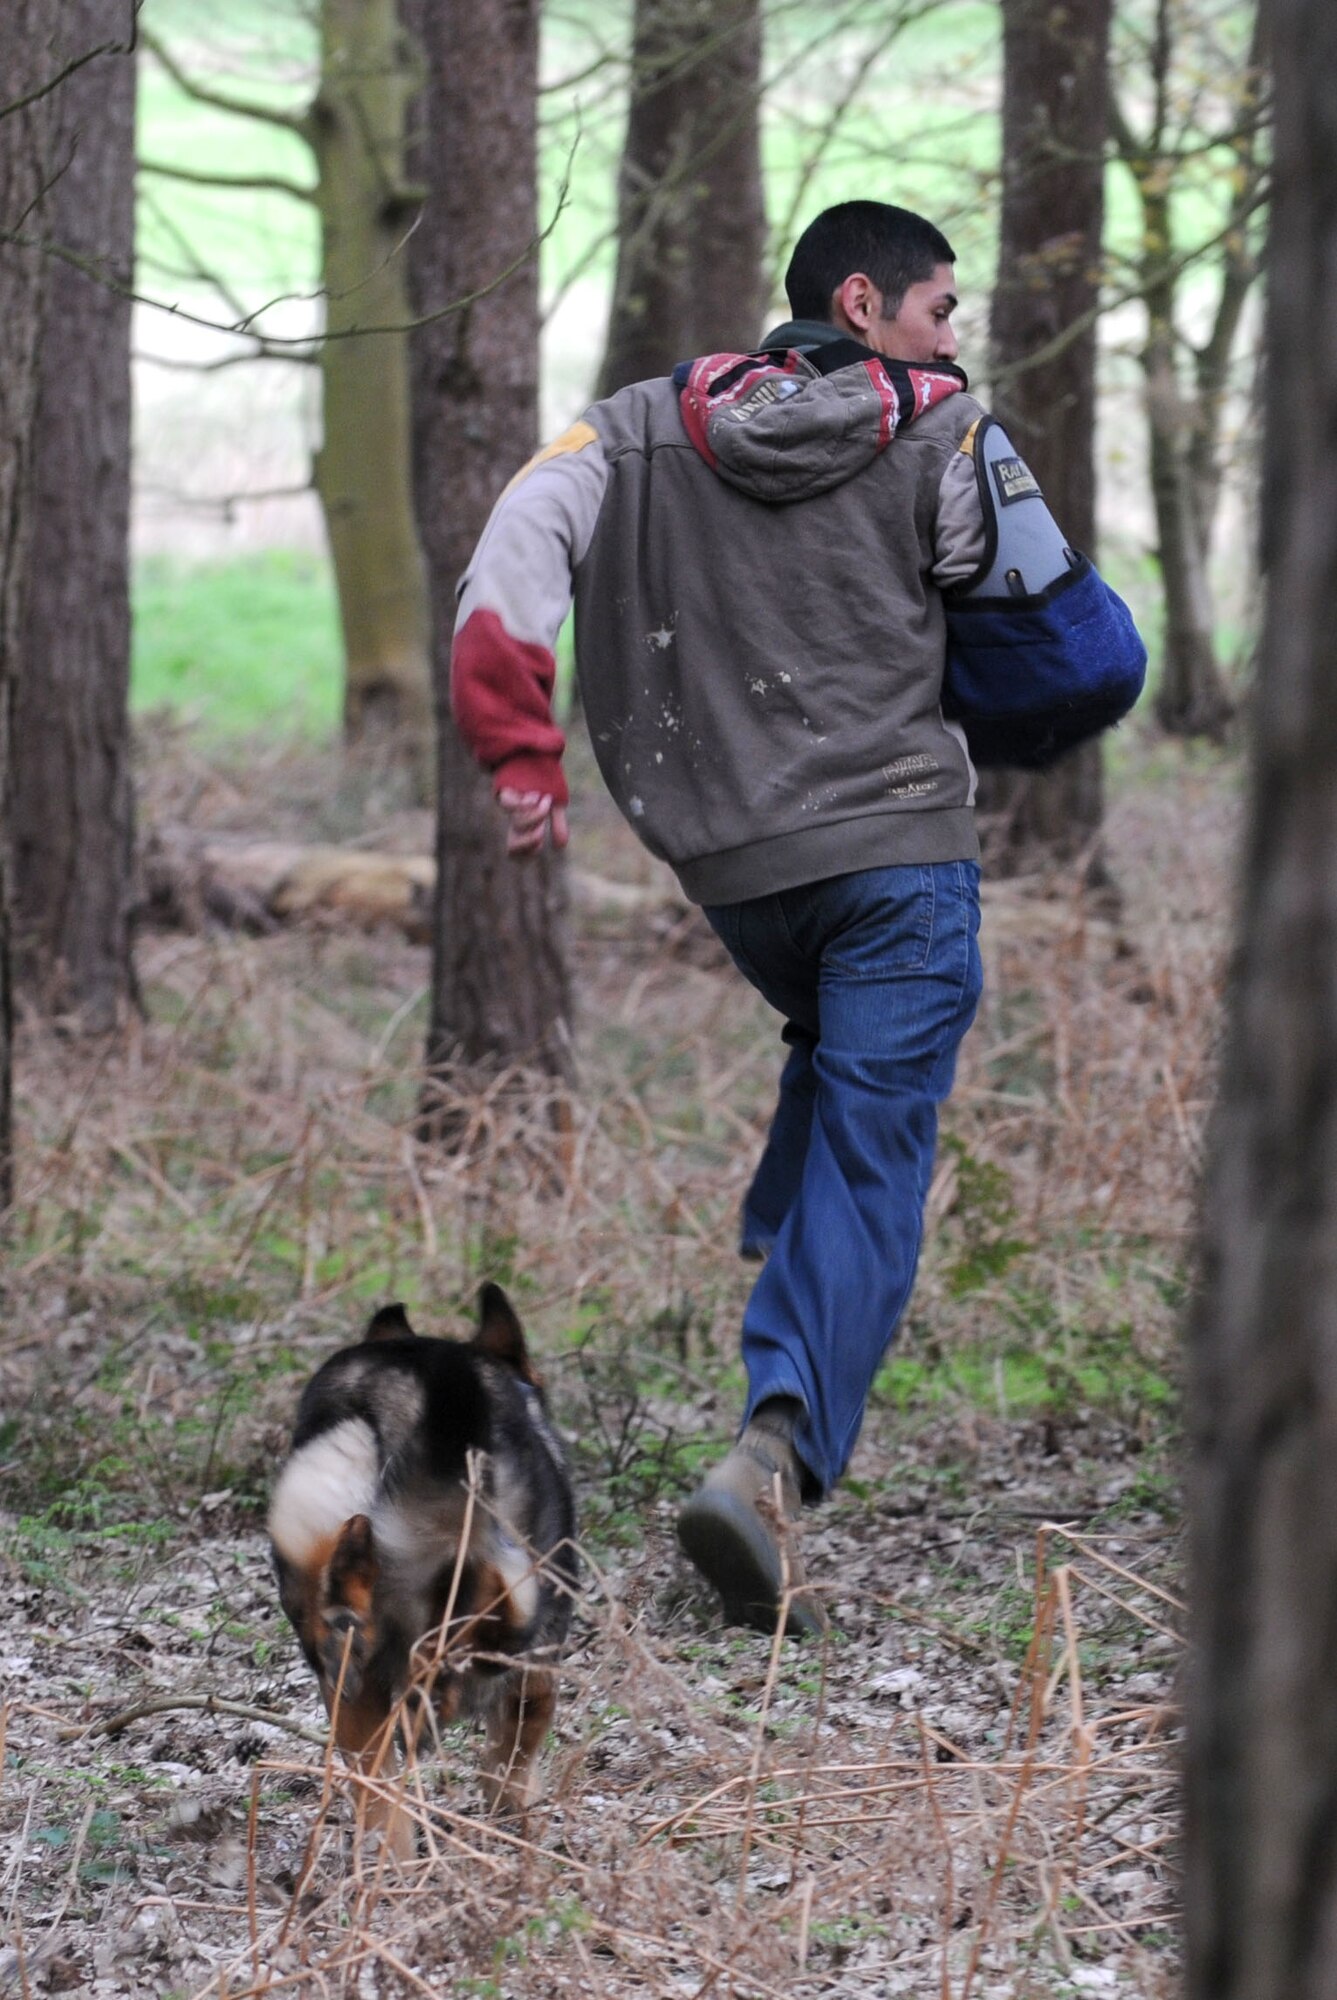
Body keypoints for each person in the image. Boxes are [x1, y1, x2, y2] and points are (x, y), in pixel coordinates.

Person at [449, 200, 1142, 1637]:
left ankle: (779, 1229)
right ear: (861, 304)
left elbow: (508, 564)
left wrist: (520, 757)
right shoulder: (947, 437)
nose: (953, 334)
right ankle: (772, 1448)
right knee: (878, 1146)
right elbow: (1070, 647)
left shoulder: (626, 431)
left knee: (832, 1059)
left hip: (739, 876)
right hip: (897, 855)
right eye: (938, 306)